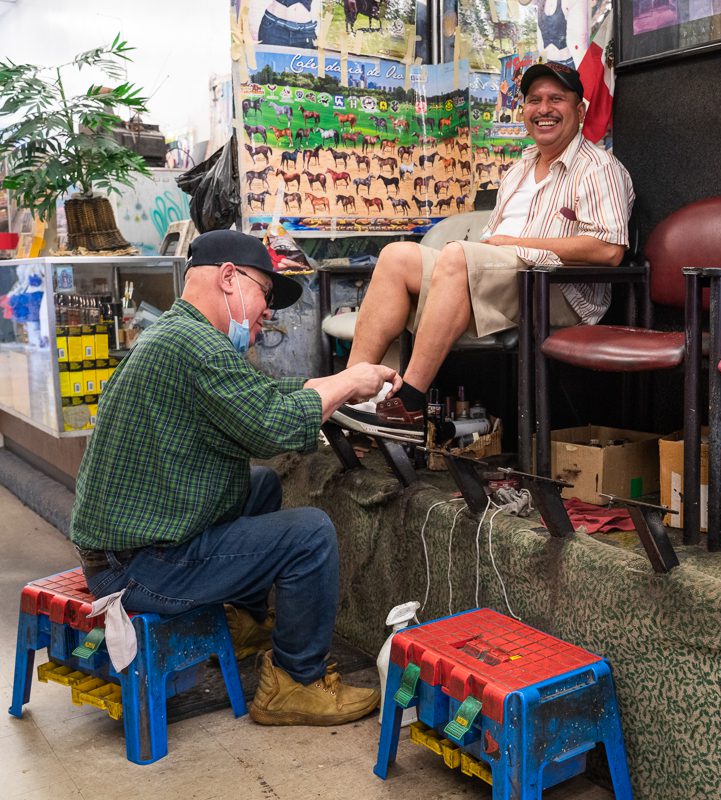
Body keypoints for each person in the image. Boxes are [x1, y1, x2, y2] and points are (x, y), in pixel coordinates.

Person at [70, 230, 400, 727]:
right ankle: (295, 683)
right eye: (266, 295)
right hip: (137, 570)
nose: (268, 312)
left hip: (126, 552)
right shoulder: (197, 347)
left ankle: (245, 625)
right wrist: (348, 381)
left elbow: (258, 398)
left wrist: (330, 388)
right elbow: (271, 425)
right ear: (228, 277)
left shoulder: (180, 335)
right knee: (310, 534)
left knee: (262, 485)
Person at [333, 62, 635, 442]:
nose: (544, 109)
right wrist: (486, 251)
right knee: (397, 257)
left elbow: (609, 250)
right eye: (534, 100)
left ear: (580, 110)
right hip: (498, 273)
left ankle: (408, 404)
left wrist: (517, 245)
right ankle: (350, 392)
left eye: (556, 99)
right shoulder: (519, 168)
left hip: (556, 288)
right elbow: (489, 245)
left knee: (459, 256)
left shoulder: (598, 168)